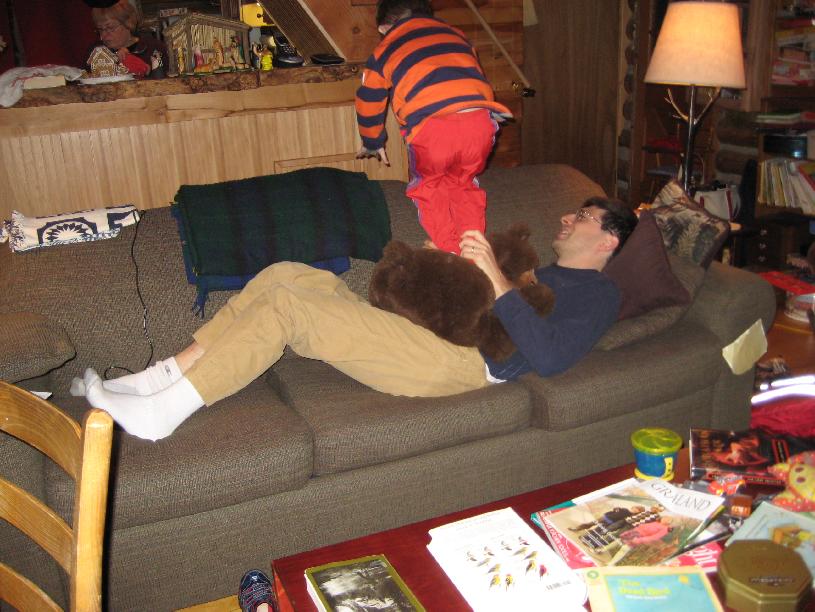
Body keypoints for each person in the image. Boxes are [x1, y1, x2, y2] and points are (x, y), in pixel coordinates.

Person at [75, 197, 637, 442]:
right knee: (288, 274)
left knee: (290, 309)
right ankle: (159, 378)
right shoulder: (541, 271)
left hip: (465, 365)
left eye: (583, 214)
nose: (567, 217)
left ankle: (163, 414)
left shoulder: (599, 294)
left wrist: (494, 276)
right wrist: (443, 269)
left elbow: (552, 356)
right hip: (431, 335)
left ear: (608, 239)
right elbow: (472, 302)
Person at [354, 0, 513, 255]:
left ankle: (449, 252)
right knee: (464, 185)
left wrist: (372, 141)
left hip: (434, 129)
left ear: (384, 28)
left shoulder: (387, 46)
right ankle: (475, 254)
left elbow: (369, 97)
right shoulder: (457, 35)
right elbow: (473, 75)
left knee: (429, 187)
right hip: (480, 123)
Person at [88, 0, 168, 78]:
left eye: (110, 28)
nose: (104, 35)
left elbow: (166, 80)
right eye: (100, 29)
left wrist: (143, 69)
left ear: (127, 24)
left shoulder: (153, 47)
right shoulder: (96, 51)